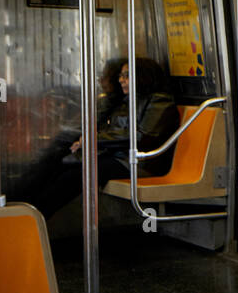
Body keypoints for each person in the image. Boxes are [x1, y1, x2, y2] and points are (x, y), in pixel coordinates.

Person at [12, 58, 180, 219]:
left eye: (127, 75)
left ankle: (35, 217)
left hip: (139, 162)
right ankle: (21, 207)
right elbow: (111, 129)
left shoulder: (159, 101)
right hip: (119, 157)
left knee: (75, 175)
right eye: (120, 76)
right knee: (60, 164)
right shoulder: (126, 100)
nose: (121, 80)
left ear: (143, 76)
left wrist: (93, 140)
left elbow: (141, 137)